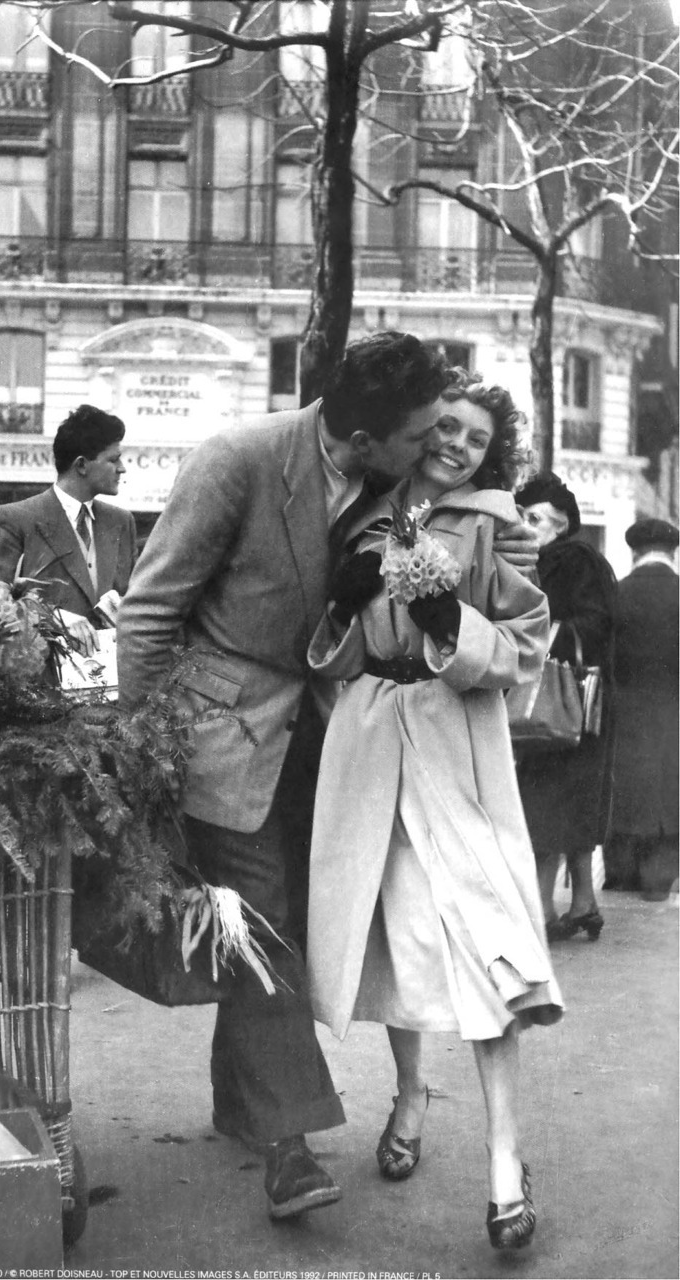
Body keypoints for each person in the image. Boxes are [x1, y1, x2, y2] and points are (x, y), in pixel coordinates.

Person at [116, 332, 539, 1222]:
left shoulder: (400, 490)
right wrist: (147, 750)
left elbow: (478, 578)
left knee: (283, 931)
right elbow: (149, 612)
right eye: (421, 430)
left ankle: (247, 1105)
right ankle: (289, 1149)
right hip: (223, 734)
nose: (434, 443)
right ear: (365, 440)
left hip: (336, 740)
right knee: (261, 924)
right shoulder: (236, 460)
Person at [307, 371, 562, 1251]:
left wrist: (451, 622)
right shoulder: (361, 515)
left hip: (455, 750)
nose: (456, 447)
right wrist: (342, 607)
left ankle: (503, 1162)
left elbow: (526, 648)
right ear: (420, 428)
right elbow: (332, 662)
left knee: (489, 949)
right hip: (372, 743)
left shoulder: (500, 526)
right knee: (397, 941)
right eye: (446, 429)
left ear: (495, 457)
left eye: (476, 441)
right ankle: (411, 1093)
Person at [513, 473, 617, 941]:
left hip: (563, 700)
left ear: (561, 525)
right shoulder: (545, 559)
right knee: (567, 802)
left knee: (548, 804)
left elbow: (595, 622)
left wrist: (544, 633)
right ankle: (582, 904)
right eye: (524, 516)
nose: (527, 526)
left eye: (536, 519)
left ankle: (542, 914)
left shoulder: (572, 560)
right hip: (568, 707)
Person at [0, 404, 137, 653]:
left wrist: (124, 609)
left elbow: (134, 598)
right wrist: (54, 618)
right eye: (113, 459)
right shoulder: (15, 519)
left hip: (112, 679)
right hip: (41, 681)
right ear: (82, 465)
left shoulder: (121, 522)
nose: (122, 468)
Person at [604, 517, 679, 900]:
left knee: (629, 787)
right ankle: (659, 879)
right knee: (671, 788)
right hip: (675, 711)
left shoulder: (617, 593)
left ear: (635, 552)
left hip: (627, 708)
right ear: (673, 552)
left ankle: (620, 874)